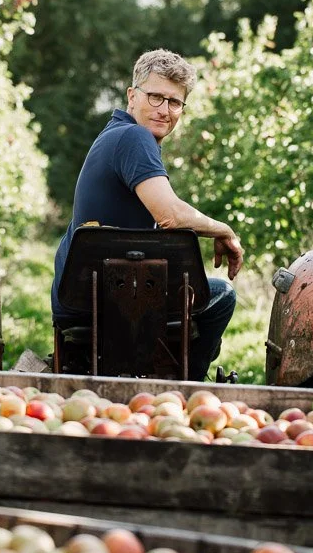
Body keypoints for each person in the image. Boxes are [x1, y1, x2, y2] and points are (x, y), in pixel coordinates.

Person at [51, 48, 243, 380]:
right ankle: (185, 385)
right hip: (108, 301)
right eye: (155, 97)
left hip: (80, 297)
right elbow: (169, 214)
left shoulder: (114, 136)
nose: (164, 110)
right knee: (222, 296)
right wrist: (223, 229)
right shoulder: (134, 137)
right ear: (131, 96)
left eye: (175, 102)